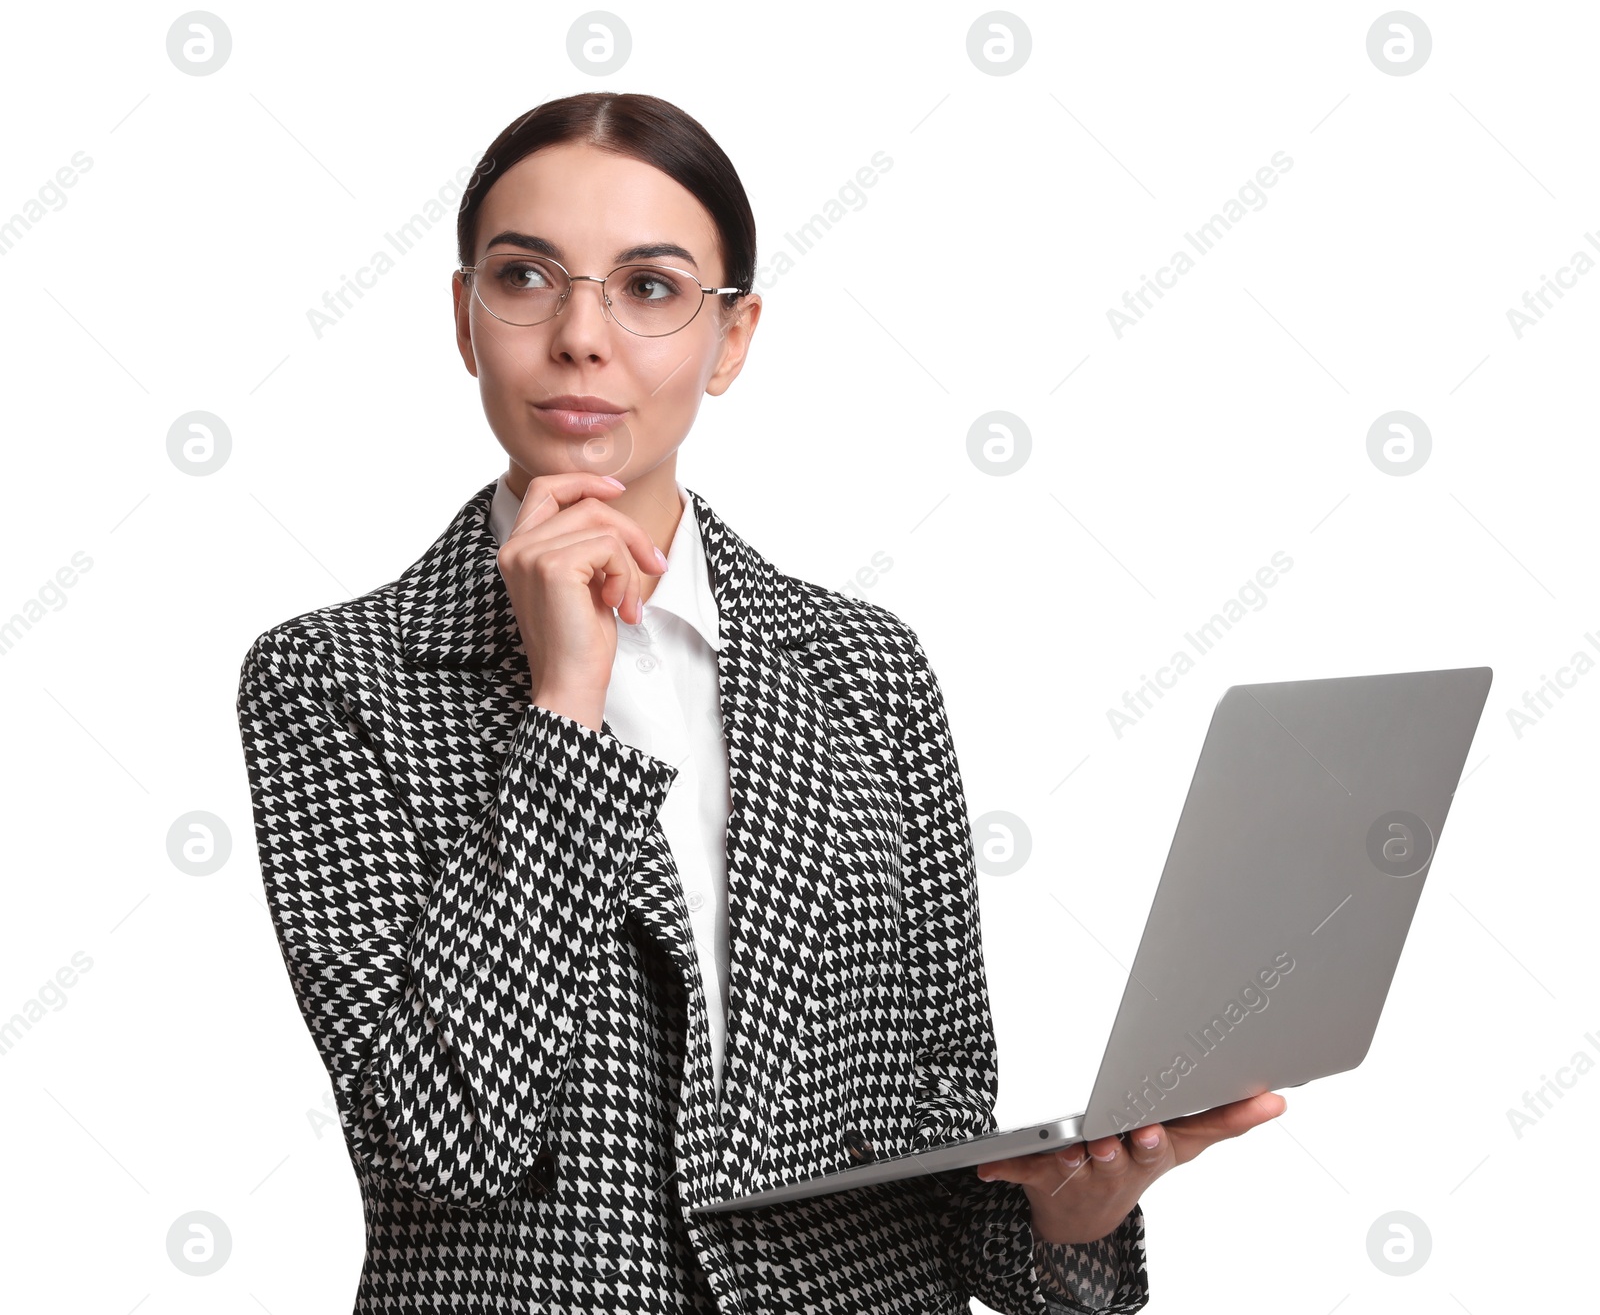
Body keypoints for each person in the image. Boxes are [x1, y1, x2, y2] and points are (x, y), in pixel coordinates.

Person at [235, 91, 1284, 1314]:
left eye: (649, 288)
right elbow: (448, 1142)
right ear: (465, 320)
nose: (582, 337)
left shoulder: (864, 670)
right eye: (527, 278)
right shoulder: (334, 679)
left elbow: (932, 1120)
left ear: (729, 340)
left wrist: (1069, 1213)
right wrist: (565, 704)